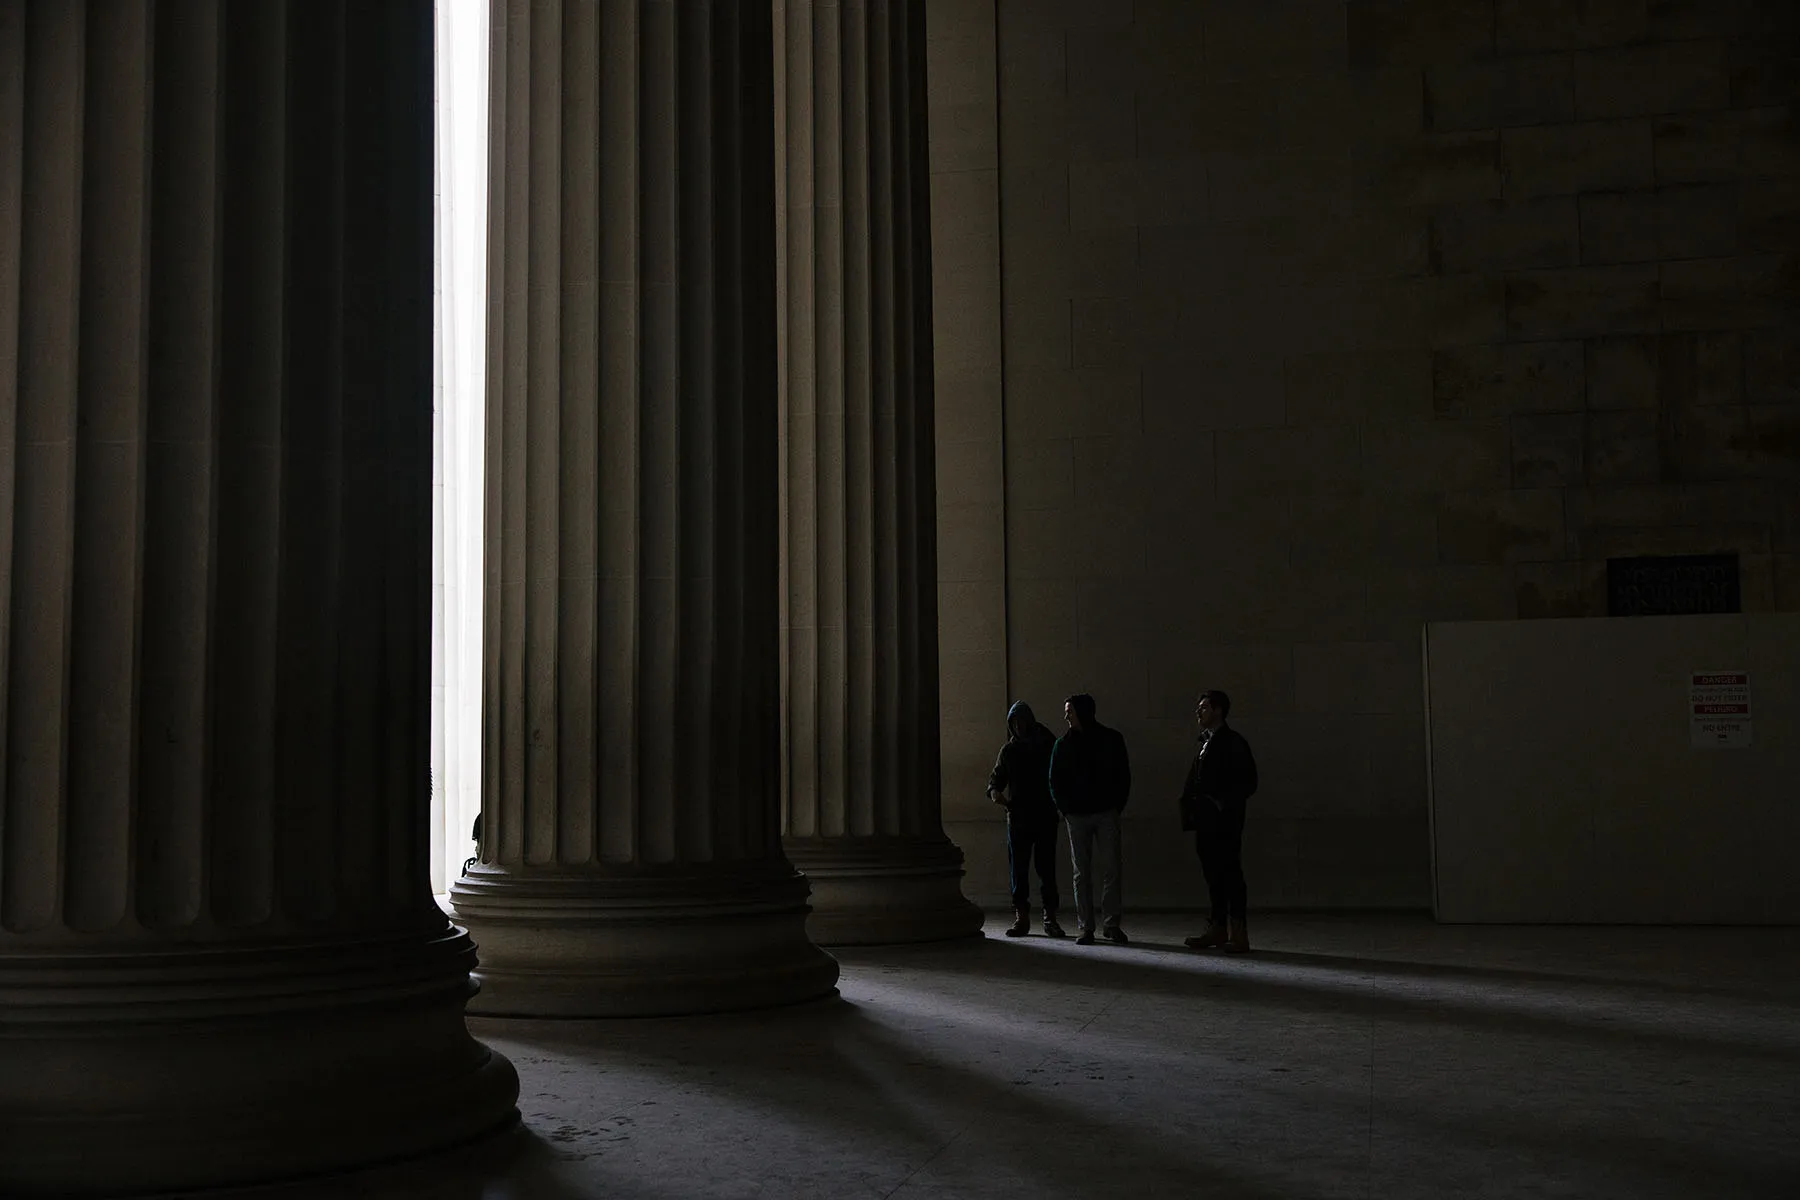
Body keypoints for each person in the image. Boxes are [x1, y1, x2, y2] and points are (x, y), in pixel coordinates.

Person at [1179, 690, 1258, 953]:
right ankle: (1219, 927)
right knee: (1214, 876)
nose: (1198, 712)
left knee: (1230, 875)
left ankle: (1238, 932)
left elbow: (1247, 782)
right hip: (1207, 822)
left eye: (1204, 707)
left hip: (1223, 823)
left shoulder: (1233, 742)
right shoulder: (1207, 742)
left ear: (1218, 710)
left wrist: (1220, 803)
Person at [1048, 693, 1130, 946]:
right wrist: (1067, 810)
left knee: (1110, 870)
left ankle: (1109, 924)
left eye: (1069, 711)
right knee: (1082, 873)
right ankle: (1087, 926)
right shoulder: (1063, 745)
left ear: (1082, 713)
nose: (1065, 716)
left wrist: (1116, 807)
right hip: (1080, 816)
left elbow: (1123, 776)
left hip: (1104, 812)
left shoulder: (1111, 740)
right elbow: (1054, 782)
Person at [986, 702, 1066, 938]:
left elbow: (1060, 775)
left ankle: (1049, 917)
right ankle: (1022, 917)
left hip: (1044, 816)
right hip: (1019, 817)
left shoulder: (1047, 744)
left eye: (1022, 722)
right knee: (1018, 872)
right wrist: (995, 793)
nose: (1019, 727)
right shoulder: (1009, 751)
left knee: (1046, 869)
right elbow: (996, 779)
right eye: (1014, 723)